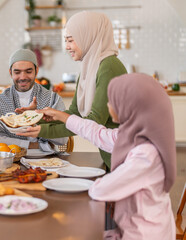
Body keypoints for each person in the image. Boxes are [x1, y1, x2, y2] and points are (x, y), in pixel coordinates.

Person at [34, 73, 176, 239]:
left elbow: (101, 190)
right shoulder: (134, 136)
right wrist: (62, 116)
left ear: (130, 106)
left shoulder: (146, 155)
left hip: (144, 234)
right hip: (132, 227)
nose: (108, 105)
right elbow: (98, 133)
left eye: (113, 100)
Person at [17, 11, 127, 168]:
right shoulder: (89, 67)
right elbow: (75, 113)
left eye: (70, 40)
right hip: (112, 157)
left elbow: (92, 122)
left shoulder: (109, 66)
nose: (67, 47)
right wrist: (34, 117)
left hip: (124, 159)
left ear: (88, 36)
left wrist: (42, 130)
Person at [0, 49, 67, 150]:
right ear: (10, 72)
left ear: (36, 71)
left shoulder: (53, 99)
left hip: (46, 159)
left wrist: (36, 119)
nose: (23, 77)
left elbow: (62, 139)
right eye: (17, 72)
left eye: (28, 71)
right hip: (10, 159)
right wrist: (30, 146)